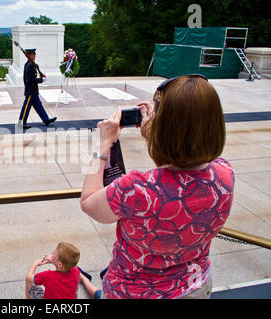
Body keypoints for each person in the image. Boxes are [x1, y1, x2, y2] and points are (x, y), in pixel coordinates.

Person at [80, 74, 235, 299]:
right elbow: (185, 156)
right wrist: (155, 127)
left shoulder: (136, 189)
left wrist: (103, 146)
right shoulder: (225, 174)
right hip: (195, 286)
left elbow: (88, 201)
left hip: (134, 293)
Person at [18, 48, 57, 130]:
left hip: (33, 90)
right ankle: (21, 123)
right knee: (26, 107)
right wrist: (41, 80)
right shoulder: (30, 66)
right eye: (33, 54)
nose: (35, 55)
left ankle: (46, 119)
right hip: (31, 91)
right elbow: (31, 80)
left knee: (38, 105)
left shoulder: (29, 64)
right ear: (29, 55)